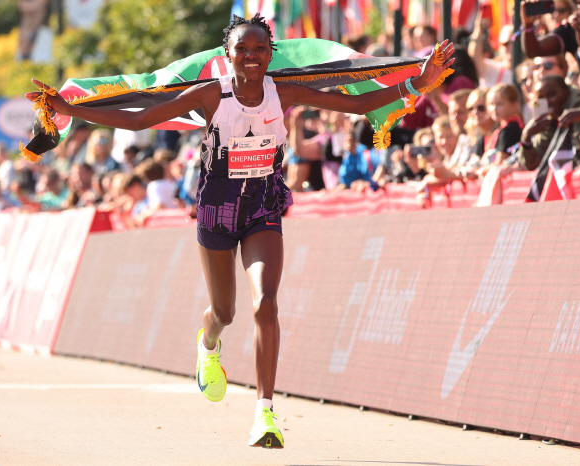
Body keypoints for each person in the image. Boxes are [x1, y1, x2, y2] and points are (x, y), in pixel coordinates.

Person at [26, 13, 454, 449]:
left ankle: (264, 413)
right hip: (216, 208)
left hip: (263, 206)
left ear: (271, 55)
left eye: (260, 50)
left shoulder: (282, 91)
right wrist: (68, 110)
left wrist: (419, 83)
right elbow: (143, 119)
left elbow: (359, 105)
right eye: (242, 50)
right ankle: (208, 341)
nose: (251, 57)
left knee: (266, 303)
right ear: (226, 56)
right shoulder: (211, 93)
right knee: (225, 312)